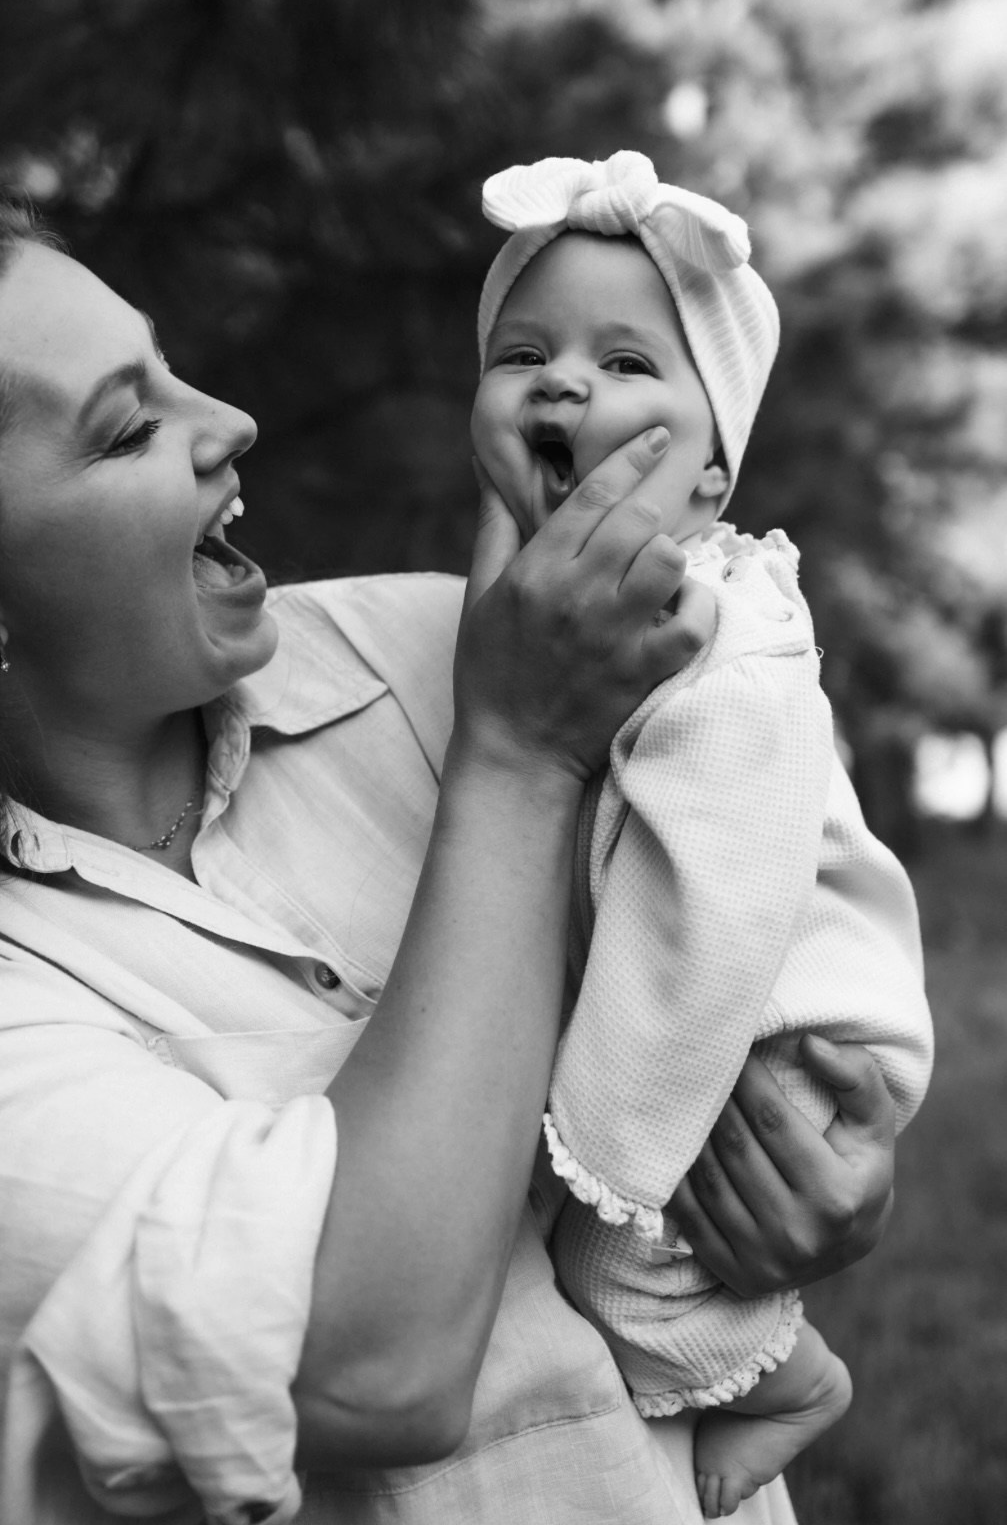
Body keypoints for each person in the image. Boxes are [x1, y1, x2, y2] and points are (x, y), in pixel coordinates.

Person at [0, 198, 897, 1525]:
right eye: (130, 425)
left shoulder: (431, 651)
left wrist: (822, 1157)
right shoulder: (510, 699)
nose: (230, 420)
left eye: (175, 365)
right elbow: (374, 1364)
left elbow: (749, 860)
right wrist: (517, 757)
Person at [470, 151, 934, 1519]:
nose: (565, 385)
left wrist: (598, 1147)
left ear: (715, 475)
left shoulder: (715, 654)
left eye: (626, 363)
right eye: (521, 355)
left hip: (779, 1016)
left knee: (611, 1270)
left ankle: (783, 1379)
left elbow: (709, 916)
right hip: (714, 1007)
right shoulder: (603, 630)